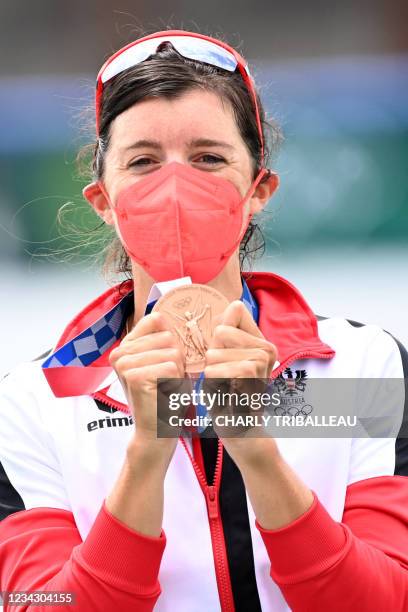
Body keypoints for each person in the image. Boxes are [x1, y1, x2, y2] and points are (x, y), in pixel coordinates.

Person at [0, 29, 407, 612]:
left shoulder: (364, 367)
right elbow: (43, 606)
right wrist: (146, 448)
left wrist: (256, 445)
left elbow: (386, 600)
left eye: (208, 158)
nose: (175, 186)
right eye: (142, 161)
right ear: (104, 202)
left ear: (258, 189)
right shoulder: (33, 402)